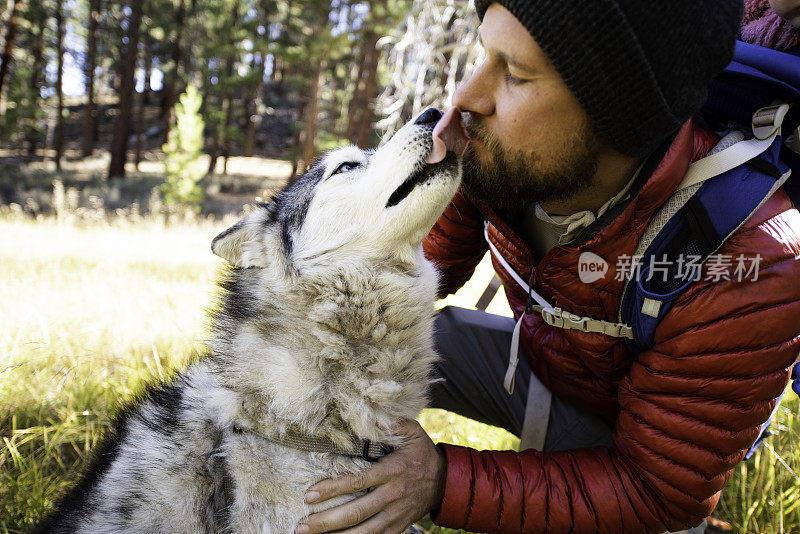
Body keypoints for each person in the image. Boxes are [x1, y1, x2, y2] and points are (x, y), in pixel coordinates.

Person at [297, 1, 800, 533]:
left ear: (620, 115)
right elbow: (424, 263)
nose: (467, 96)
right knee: (343, 349)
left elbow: (657, 491)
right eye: (484, 54)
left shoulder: (756, 259)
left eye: (513, 73)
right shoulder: (500, 154)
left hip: (632, 444)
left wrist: (440, 480)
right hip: (539, 363)